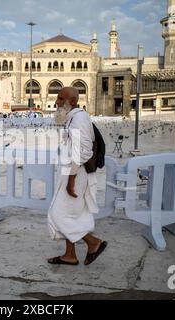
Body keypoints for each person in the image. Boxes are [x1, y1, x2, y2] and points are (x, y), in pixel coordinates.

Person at [47, 87, 107, 266]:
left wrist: (71, 181)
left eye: (60, 99)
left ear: (72, 102)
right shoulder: (73, 117)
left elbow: (82, 152)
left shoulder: (78, 118)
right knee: (71, 215)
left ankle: (93, 242)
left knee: (57, 215)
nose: (56, 102)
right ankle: (70, 255)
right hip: (73, 172)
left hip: (76, 175)